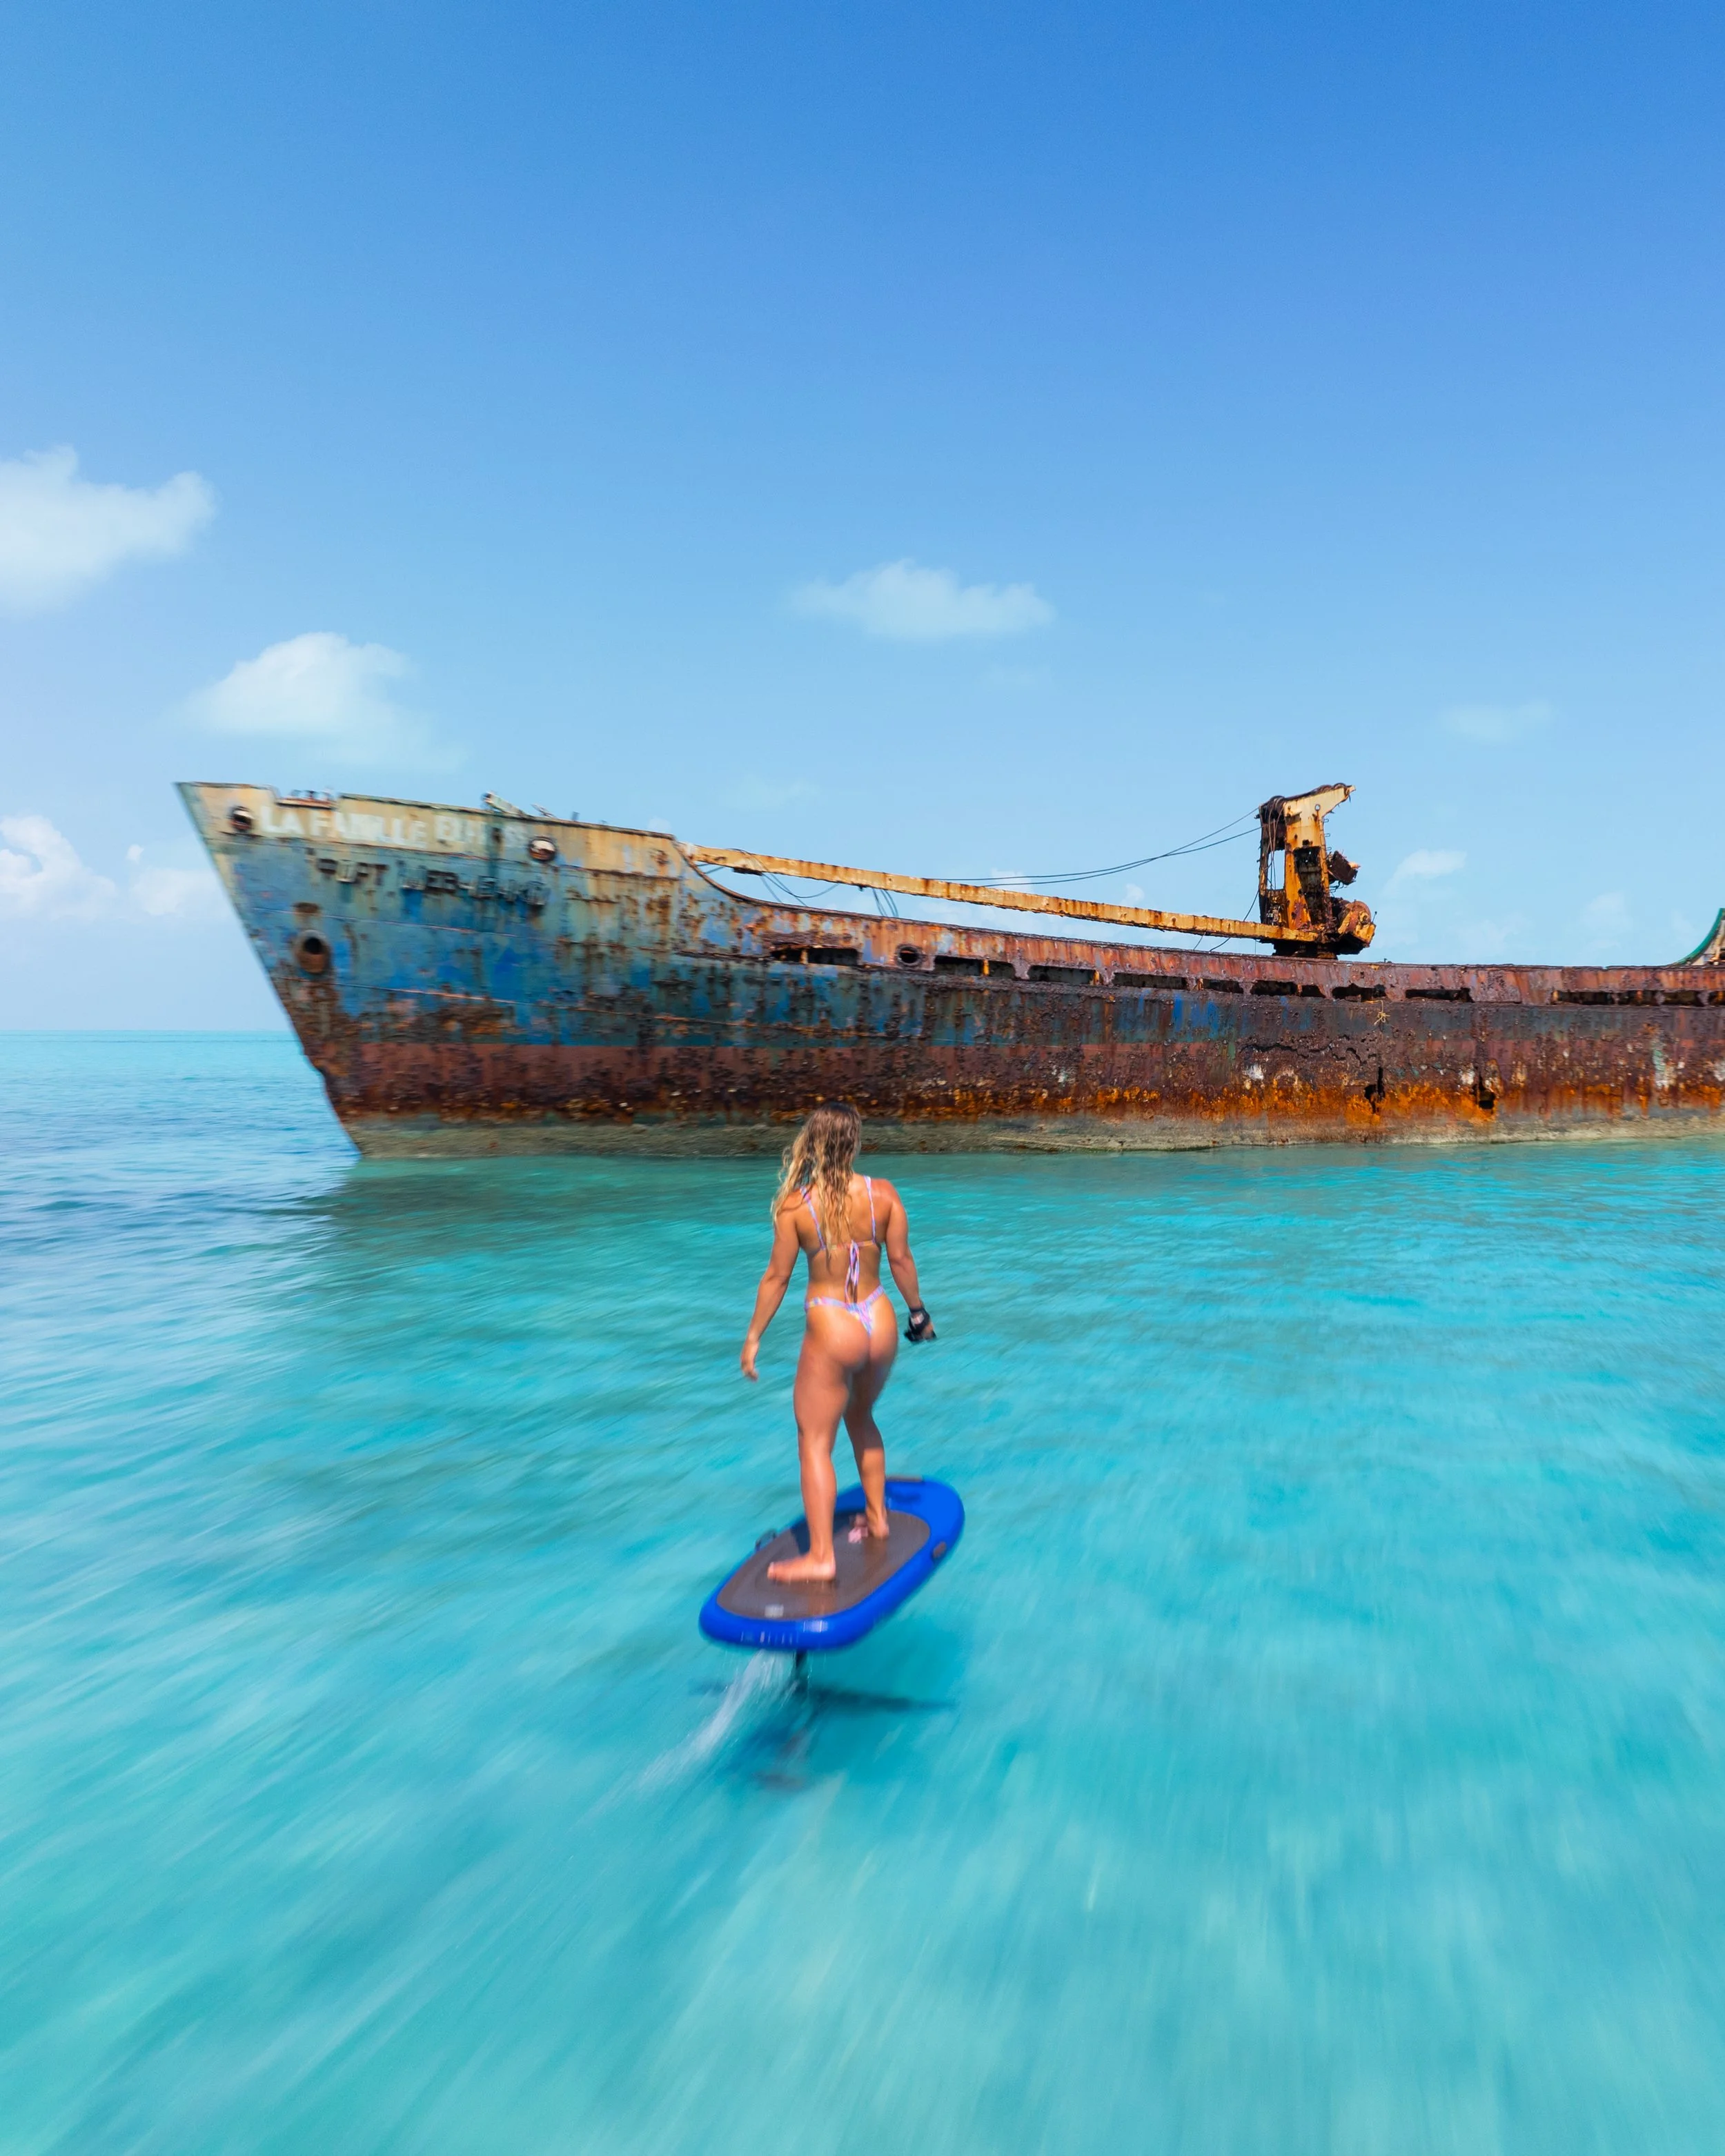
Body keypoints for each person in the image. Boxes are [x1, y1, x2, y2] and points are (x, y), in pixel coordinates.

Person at [739, 1102, 935, 1583]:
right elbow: (902, 1260)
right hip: (879, 1318)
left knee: (813, 1440)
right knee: (862, 1417)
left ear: (814, 1144)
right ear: (855, 1143)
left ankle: (822, 1556)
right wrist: (919, 1314)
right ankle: (877, 1518)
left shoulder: (796, 1205)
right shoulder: (882, 1194)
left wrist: (752, 1337)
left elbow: (776, 1278)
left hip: (832, 1324)